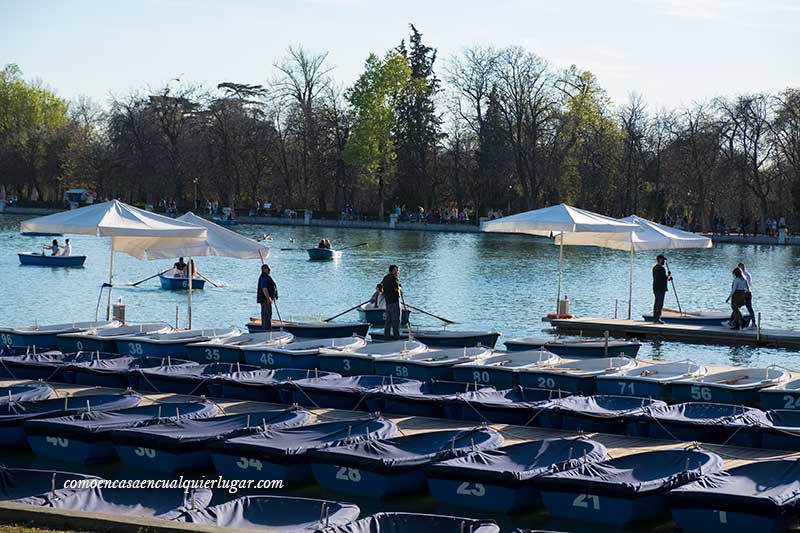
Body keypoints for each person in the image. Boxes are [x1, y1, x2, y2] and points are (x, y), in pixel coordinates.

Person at [381, 265, 402, 340]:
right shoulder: (394, 279)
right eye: (397, 270)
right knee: (396, 321)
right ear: (393, 270)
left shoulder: (385, 278)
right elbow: (398, 290)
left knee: (388, 322)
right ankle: (396, 338)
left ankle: (386, 338)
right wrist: (400, 290)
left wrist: (386, 293)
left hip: (388, 303)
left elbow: (380, 287)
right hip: (394, 302)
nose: (398, 272)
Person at [257, 264, 278, 331]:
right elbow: (264, 288)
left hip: (268, 299)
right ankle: (265, 329)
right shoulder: (263, 277)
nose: (269, 270)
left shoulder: (267, 277)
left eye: (269, 269)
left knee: (269, 314)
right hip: (265, 300)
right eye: (268, 269)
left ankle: (268, 328)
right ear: (264, 269)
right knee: (266, 315)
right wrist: (268, 298)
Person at [652, 254, 671, 324]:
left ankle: (656, 318)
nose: (664, 261)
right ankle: (657, 318)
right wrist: (669, 276)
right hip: (660, 288)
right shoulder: (661, 268)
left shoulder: (654, 268)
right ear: (659, 259)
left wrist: (668, 277)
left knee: (657, 303)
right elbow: (664, 278)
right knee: (659, 303)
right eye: (663, 260)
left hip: (656, 288)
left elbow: (660, 277)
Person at [738, 262, 755, 327]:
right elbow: (750, 284)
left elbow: (747, 284)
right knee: (748, 308)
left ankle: (751, 322)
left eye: (740, 267)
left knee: (736, 307)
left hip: (745, 294)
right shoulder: (747, 274)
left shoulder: (745, 275)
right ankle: (743, 321)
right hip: (748, 293)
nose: (739, 269)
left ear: (743, 267)